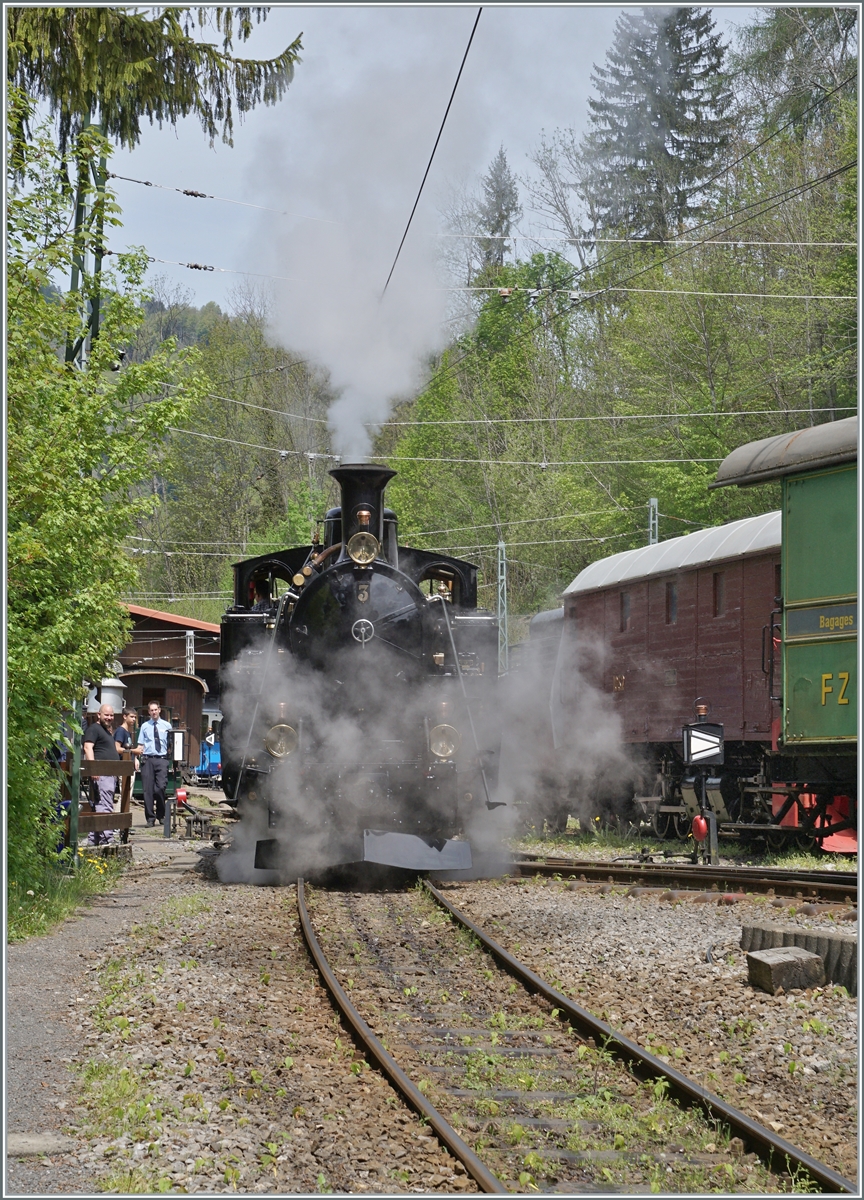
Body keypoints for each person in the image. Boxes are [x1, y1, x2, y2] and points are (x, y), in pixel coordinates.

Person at [82, 704, 119, 845]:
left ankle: (94, 841)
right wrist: (94, 768)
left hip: (110, 773)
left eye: (111, 715)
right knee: (105, 805)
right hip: (102, 774)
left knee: (99, 806)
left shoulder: (106, 731)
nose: (109, 718)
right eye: (106, 715)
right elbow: (87, 747)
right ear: (99, 715)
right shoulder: (94, 729)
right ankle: (106, 840)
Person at [137, 701, 173, 827]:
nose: (153, 712)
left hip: (162, 759)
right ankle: (150, 819)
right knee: (147, 790)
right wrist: (137, 758)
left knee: (160, 787)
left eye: (155, 710)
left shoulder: (167, 725)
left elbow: (172, 743)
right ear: (149, 712)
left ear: (159, 710)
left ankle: (161, 815)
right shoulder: (145, 726)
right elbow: (140, 744)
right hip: (148, 759)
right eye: (151, 710)